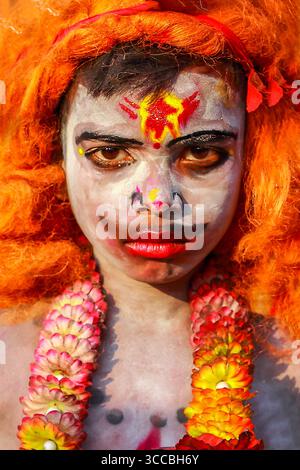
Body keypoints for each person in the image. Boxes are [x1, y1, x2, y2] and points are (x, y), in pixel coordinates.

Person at [0, 0, 299, 450]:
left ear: (255, 164)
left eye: (201, 154)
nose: (157, 204)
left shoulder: (290, 364)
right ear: (52, 158)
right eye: (108, 155)